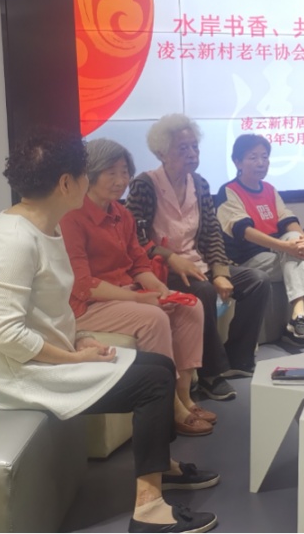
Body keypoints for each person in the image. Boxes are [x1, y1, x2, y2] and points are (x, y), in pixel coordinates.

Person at [0, 129, 218, 533]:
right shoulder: (12, 241)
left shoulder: (45, 227)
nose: (93, 181)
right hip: (13, 375)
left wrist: (78, 339)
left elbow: (48, 310)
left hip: (39, 358)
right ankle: (149, 509)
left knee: (157, 367)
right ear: (66, 183)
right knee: (153, 382)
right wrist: (72, 357)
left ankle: (161, 469)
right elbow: (7, 335)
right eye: (86, 174)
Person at [60, 139, 214, 437]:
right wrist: (139, 299)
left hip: (124, 295)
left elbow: (139, 264)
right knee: (153, 318)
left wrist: (161, 290)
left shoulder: (122, 214)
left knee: (190, 306)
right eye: (111, 173)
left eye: (124, 172)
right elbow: (84, 285)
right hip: (87, 305)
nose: (120, 181)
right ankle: (170, 405)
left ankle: (184, 394)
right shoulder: (72, 218)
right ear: (90, 174)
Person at [126, 114, 270, 402]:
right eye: (183, 148)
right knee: (203, 291)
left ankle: (238, 359)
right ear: (162, 153)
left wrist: (221, 272)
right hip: (163, 271)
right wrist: (170, 257)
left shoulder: (200, 184)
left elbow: (212, 233)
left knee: (257, 280)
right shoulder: (145, 185)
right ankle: (210, 374)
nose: (192, 154)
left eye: (195, 147)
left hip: (199, 264)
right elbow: (134, 238)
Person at [215, 134, 304, 346]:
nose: (261, 163)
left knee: (298, 245)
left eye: (264, 157)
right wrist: (286, 247)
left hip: (275, 253)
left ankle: (298, 317)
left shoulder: (269, 189)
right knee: (299, 257)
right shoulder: (229, 191)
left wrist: (303, 240)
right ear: (237, 162)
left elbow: (287, 218)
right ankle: (297, 321)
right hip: (246, 259)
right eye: (253, 157)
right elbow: (244, 231)